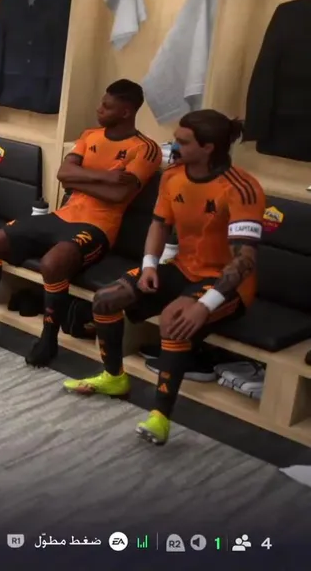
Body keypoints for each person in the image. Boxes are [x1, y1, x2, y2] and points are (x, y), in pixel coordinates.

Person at [63, 110, 263, 446]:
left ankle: (160, 417)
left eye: (183, 142)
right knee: (106, 298)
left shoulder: (241, 188)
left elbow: (244, 261)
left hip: (228, 285)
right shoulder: (173, 176)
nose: (175, 146)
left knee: (174, 318)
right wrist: (150, 265)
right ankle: (113, 377)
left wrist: (206, 305)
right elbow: (159, 224)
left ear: (208, 148)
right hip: (182, 268)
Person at [0, 80, 162, 367]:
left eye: (107, 107)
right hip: (62, 216)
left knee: (53, 263)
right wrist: (105, 177)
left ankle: (49, 339)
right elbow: (63, 173)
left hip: (98, 227)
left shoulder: (145, 148)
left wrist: (80, 179)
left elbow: (119, 195)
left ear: (126, 112)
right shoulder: (90, 135)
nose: (99, 109)